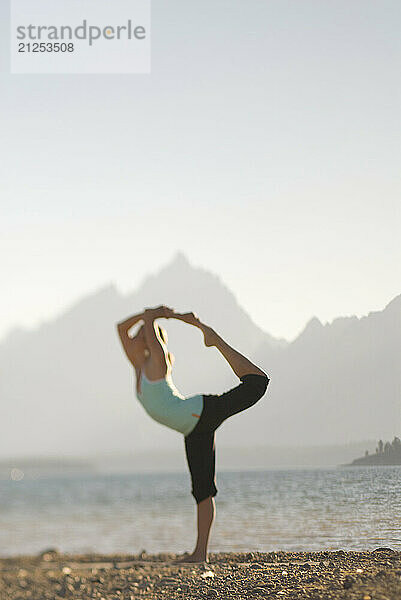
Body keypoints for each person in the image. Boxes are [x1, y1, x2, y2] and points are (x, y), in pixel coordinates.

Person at [116, 305, 270, 563]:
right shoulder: (139, 367)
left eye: (141, 333)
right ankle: (200, 554)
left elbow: (145, 326)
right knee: (202, 491)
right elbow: (121, 328)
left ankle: (215, 340)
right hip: (192, 429)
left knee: (257, 383)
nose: (134, 338)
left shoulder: (158, 362)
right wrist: (155, 314)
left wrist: (160, 316)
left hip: (200, 413)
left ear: (150, 340)